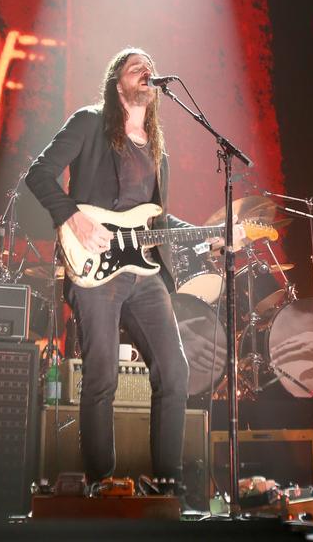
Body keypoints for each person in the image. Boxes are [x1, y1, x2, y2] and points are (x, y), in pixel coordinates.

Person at [25, 47, 191, 488]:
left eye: (151, 68)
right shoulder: (89, 123)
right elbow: (39, 173)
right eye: (137, 67)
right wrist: (72, 216)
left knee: (174, 370)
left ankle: (168, 483)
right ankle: (101, 483)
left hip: (145, 272)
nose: (147, 72)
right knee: (101, 376)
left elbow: (157, 218)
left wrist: (212, 236)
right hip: (95, 265)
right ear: (116, 80)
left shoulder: (158, 151)